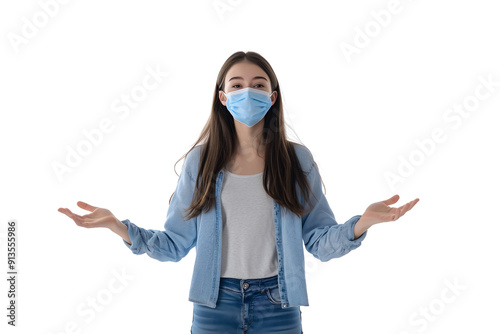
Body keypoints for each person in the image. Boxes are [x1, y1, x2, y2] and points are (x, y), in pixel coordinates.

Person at [58, 51, 419, 334]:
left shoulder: (296, 159)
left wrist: (361, 224)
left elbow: (320, 241)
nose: (248, 91)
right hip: (214, 306)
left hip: (279, 305)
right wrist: (119, 228)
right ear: (222, 96)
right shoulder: (201, 161)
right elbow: (174, 245)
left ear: (273, 96)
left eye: (259, 85)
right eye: (237, 85)